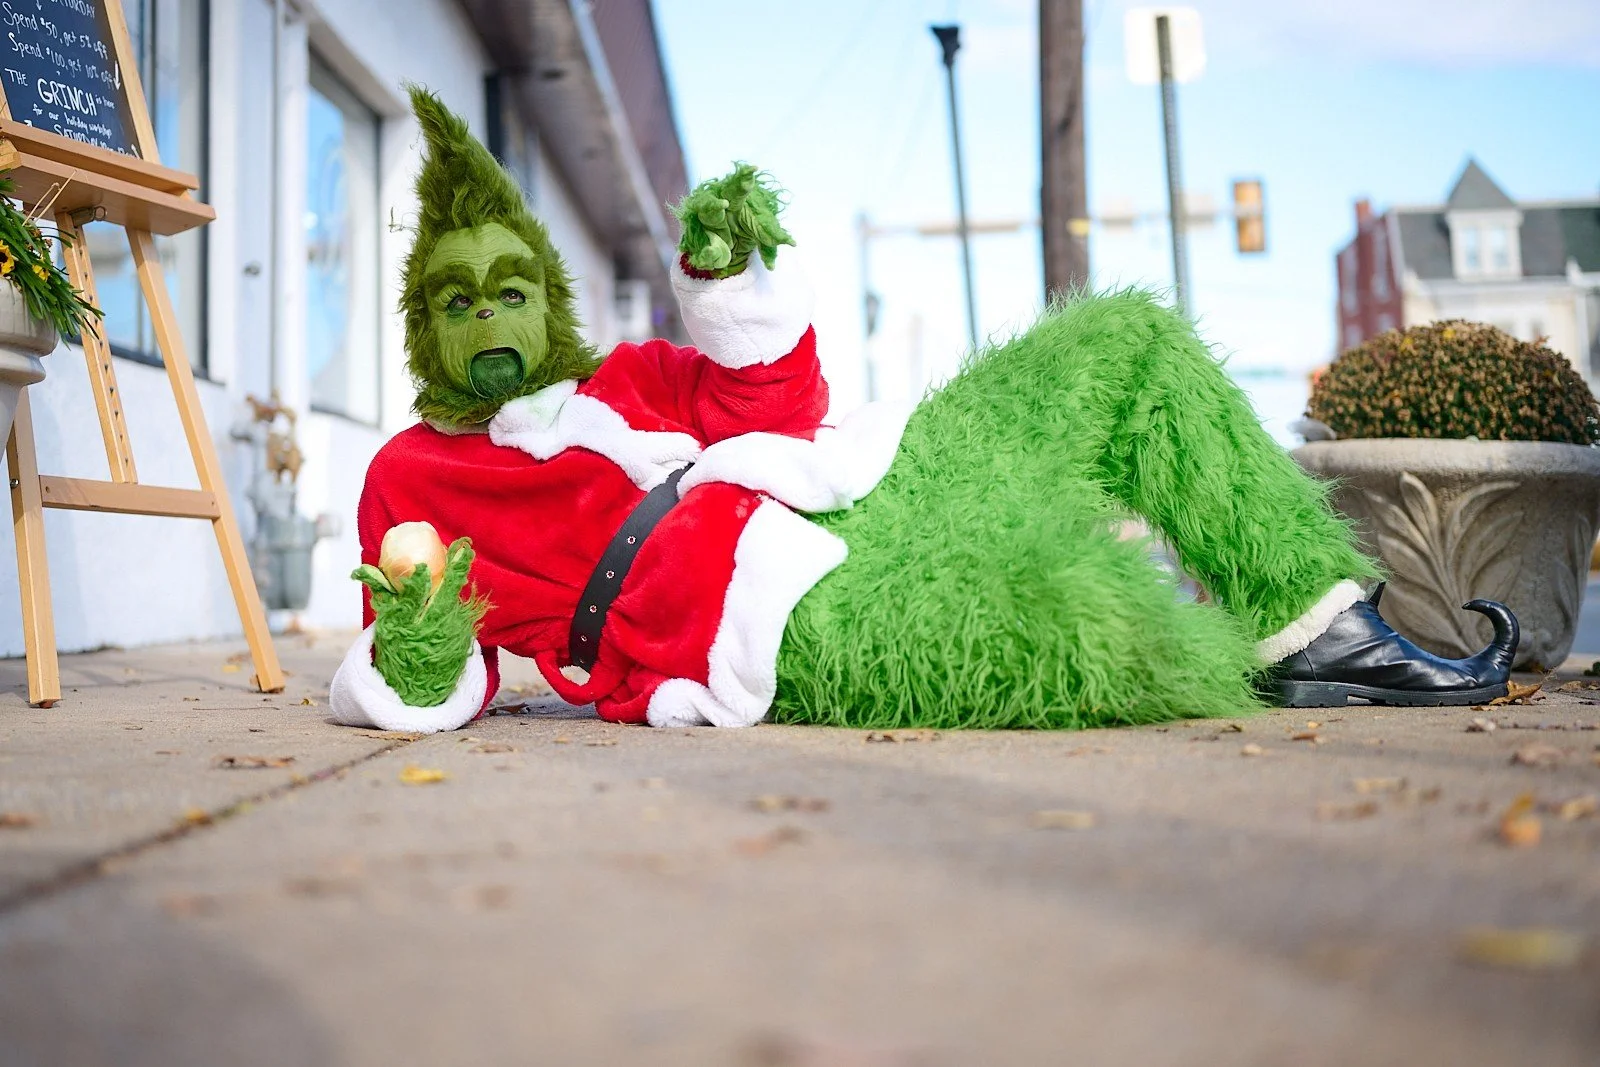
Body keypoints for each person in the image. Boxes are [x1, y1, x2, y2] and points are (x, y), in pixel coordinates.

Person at [329, 89, 1516, 735]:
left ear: (548, 299)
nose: (489, 316)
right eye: (454, 297)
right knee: (1085, 616)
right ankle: (1243, 671)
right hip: (751, 624)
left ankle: (1322, 629)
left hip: (861, 485)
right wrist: (423, 646)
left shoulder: (627, 376)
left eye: (511, 286)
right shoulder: (409, 477)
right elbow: (440, 679)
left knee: (1128, 345)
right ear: (419, 325)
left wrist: (728, 281)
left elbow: (781, 402)